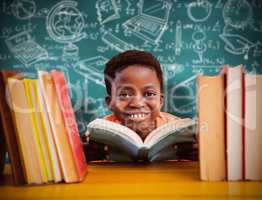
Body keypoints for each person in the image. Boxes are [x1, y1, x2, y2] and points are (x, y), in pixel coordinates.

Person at [83, 50, 197, 161]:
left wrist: (195, 152)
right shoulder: (100, 132)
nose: (137, 103)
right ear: (110, 102)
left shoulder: (176, 129)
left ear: (160, 101)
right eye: (124, 95)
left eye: (149, 94)